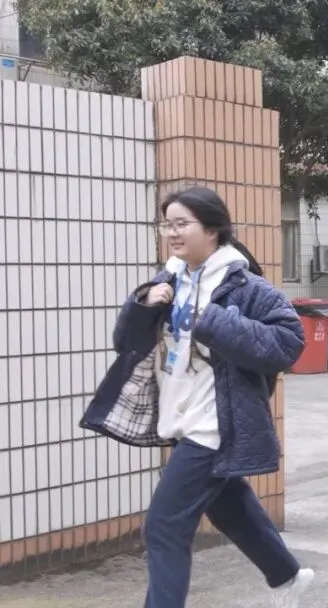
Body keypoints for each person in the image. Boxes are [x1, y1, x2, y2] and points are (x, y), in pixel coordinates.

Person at [80, 186, 314, 608]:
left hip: (216, 420)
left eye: (181, 223)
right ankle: (288, 576)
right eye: (166, 223)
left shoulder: (245, 285)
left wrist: (216, 322)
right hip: (182, 414)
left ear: (213, 229)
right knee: (229, 506)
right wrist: (142, 304)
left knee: (164, 525)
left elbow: (289, 342)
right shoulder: (167, 277)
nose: (171, 232)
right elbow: (126, 341)